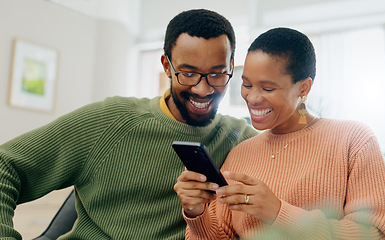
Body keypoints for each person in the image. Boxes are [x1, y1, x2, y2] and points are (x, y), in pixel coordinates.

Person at [0, 9, 257, 239]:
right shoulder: (110, 120)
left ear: (231, 67)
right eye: (188, 74)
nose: (203, 89)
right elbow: (5, 164)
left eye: (216, 74)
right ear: (167, 66)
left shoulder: (240, 138)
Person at [174, 27, 385, 239]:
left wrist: (278, 212)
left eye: (268, 88)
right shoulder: (241, 153)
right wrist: (196, 213)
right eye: (246, 84)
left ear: (304, 88)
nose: (252, 98)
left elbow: (379, 235)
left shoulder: (353, 141)